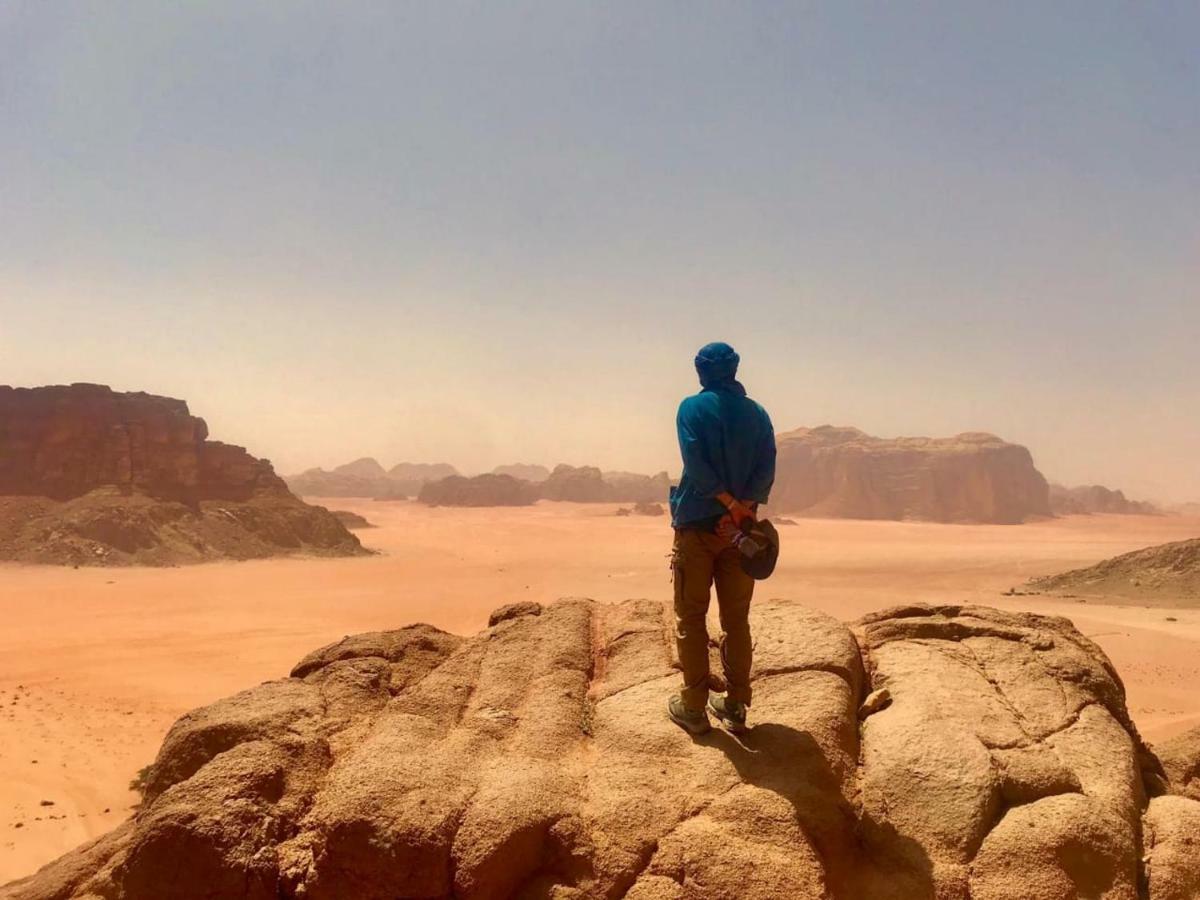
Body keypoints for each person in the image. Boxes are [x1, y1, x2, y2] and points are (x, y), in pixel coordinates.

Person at [668, 342, 776, 735]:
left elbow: (695, 464)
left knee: (692, 618)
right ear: (734, 370)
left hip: (697, 526)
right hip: (742, 534)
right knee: (736, 620)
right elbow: (766, 467)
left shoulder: (690, 409)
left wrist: (726, 502)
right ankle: (734, 706)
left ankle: (693, 707)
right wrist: (741, 507)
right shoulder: (758, 414)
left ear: (700, 372)